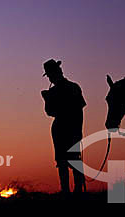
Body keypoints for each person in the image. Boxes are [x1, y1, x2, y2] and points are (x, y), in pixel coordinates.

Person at [41, 59, 86, 194]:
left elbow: (50, 112)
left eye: (49, 75)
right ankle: (75, 190)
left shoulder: (58, 91)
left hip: (63, 127)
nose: (49, 77)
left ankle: (67, 190)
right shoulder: (74, 87)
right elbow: (80, 110)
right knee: (71, 160)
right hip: (71, 127)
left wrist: (47, 99)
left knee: (63, 161)